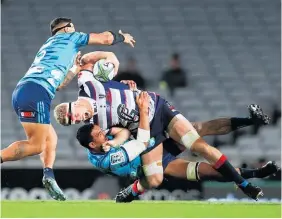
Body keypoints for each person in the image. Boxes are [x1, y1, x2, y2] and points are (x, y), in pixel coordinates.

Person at [54, 51, 270, 200]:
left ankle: (245, 183)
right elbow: (139, 141)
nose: (79, 119)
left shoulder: (88, 86)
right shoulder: (103, 146)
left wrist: (83, 70)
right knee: (158, 177)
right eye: (74, 121)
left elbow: (96, 61)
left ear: (72, 105)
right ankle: (133, 191)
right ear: (93, 144)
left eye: (75, 116)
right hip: (148, 140)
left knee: (199, 140)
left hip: (156, 109)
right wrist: (137, 113)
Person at [0, 17, 135, 201]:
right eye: (72, 27)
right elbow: (104, 39)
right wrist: (121, 37)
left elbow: (60, 84)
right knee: (36, 145)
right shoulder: (70, 38)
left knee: (51, 138)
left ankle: (48, 175)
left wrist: (74, 69)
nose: (75, 29)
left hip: (26, 90)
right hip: (37, 91)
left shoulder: (50, 45)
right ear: (66, 28)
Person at [75, 94, 279, 202]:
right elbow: (142, 144)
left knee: (197, 129)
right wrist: (145, 115)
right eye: (100, 134)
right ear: (93, 144)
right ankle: (257, 173)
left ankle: (250, 121)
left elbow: (125, 133)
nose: (104, 132)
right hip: (150, 165)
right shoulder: (105, 160)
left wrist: (116, 136)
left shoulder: (103, 139)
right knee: (209, 172)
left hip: (158, 149)